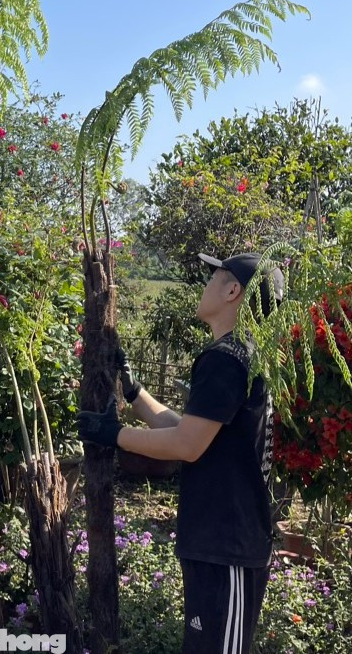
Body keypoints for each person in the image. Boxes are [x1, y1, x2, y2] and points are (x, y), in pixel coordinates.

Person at [78, 252, 284, 654]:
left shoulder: (227, 359)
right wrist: (135, 394)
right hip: (219, 542)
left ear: (232, 290)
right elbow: (193, 432)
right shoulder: (239, 354)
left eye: (214, 276)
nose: (205, 284)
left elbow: (186, 446)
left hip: (229, 547)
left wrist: (114, 434)